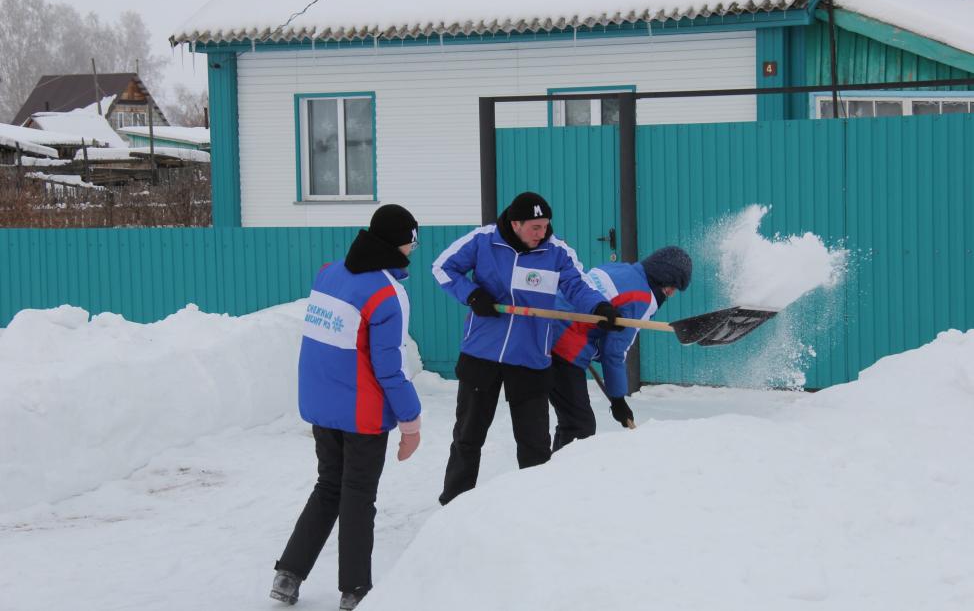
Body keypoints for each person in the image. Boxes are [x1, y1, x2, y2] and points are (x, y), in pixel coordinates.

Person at [270, 204, 423, 611]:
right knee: (357, 495)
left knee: (328, 487)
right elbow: (390, 367)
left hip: (322, 405)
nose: (414, 248)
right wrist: (411, 422)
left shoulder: (329, 273)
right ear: (400, 242)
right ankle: (355, 590)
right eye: (413, 240)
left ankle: (288, 575)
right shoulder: (388, 294)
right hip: (362, 412)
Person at [432, 191, 620, 505]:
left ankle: (533, 507)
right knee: (468, 434)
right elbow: (442, 268)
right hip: (482, 352)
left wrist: (600, 307)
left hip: (531, 356)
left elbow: (576, 284)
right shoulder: (483, 241)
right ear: (516, 223)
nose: (542, 233)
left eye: (546, 225)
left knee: (533, 441)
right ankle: (453, 502)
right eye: (535, 227)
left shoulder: (556, 251)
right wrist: (472, 294)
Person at [548, 246, 693, 451]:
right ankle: (560, 479)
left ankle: (553, 473)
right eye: (673, 286)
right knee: (580, 427)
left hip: (547, 328)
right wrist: (618, 400)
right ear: (663, 277)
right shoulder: (642, 299)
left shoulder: (620, 270)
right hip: (564, 346)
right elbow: (614, 352)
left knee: (572, 421)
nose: (672, 293)